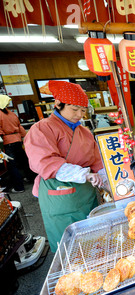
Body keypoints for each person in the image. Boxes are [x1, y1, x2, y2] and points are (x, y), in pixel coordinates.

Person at [24, 81, 104, 252]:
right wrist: (85, 174)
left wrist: (109, 180)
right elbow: (46, 162)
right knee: (70, 246)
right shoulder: (42, 128)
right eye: (74, 109)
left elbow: (96, 161)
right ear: (58, 104)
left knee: (92, 236)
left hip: (85, 193)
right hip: (59, 193)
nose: (79, 114)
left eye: (83, 110)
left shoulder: (85, 132)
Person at [0, 94, 35, 193]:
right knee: (24, 161)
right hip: (18, 140)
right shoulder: (12, 114)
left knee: (12, 165)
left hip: (7, 142)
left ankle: (19, 187)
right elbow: (20, 128)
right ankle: (31, 179)